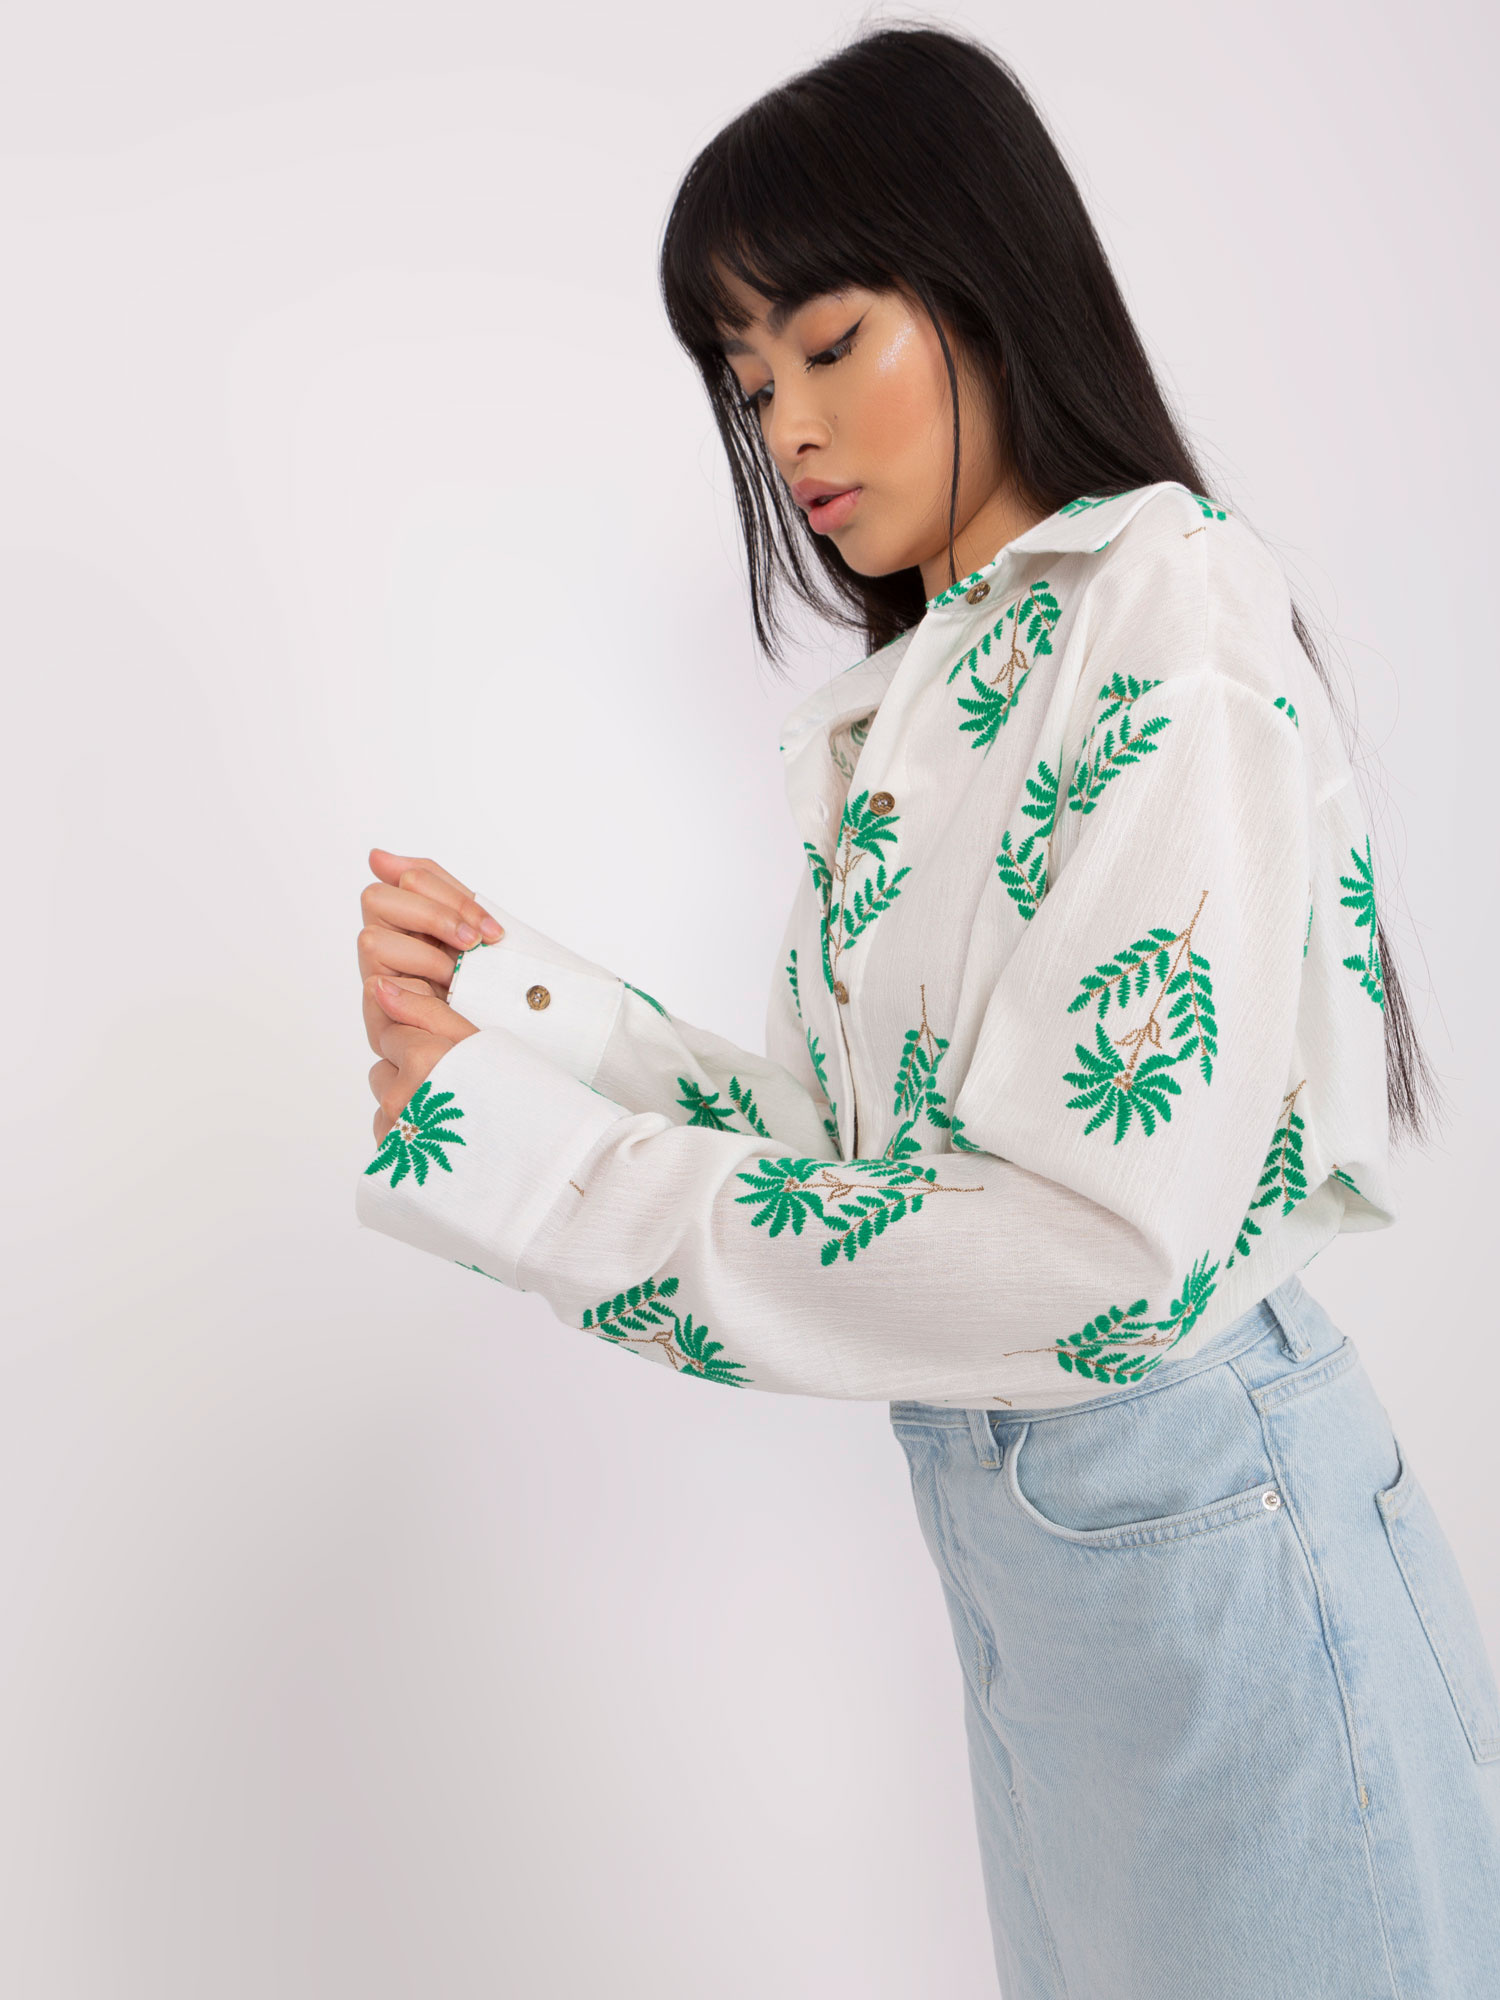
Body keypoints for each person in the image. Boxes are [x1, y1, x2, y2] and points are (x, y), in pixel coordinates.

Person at [350, 23, 1500, 1997]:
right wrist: (514, 1022)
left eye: (828, 339)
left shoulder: (1164, 606)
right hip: (1054, 1573)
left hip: (1206, 1541)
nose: (788, 427)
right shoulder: (935, 688)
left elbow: (1096, 1250)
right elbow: (870, 1163)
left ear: (988, 284)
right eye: (747, 381)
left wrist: (536, 1169)